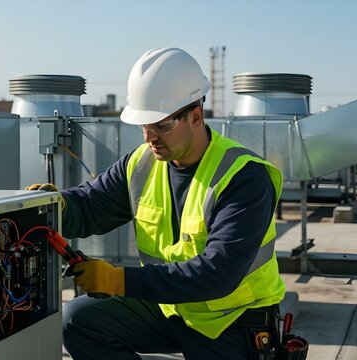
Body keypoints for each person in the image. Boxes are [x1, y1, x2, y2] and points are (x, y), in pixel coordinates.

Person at [29, 47, 285, 359]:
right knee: (80, 320)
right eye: (143, 125)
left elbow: (218, 273)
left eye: (161, 125)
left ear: (195, 116)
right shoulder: (141, 165)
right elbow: (89, 206)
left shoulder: (243, 177)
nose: (149, 136)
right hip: (170, 311)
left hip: (233, 323)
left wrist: (118, 280)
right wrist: (57, 206)